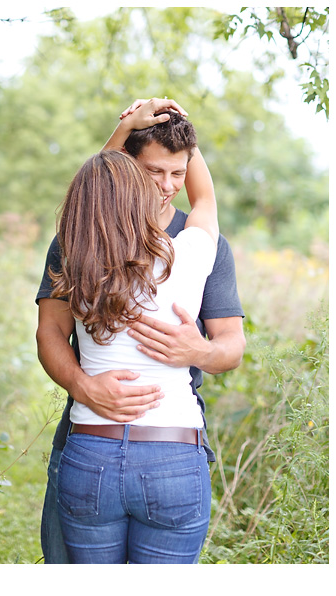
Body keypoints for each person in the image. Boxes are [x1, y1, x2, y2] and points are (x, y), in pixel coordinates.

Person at [37, 99, 245, 563]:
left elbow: (88, 194)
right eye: (154, 173)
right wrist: (187, 131)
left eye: (178, 173)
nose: (169, 187)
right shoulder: (190, 251)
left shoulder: (81, 244)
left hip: (91, 453)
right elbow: (207, 200)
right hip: (172, 454)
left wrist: (201, 351)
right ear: (130, 169)